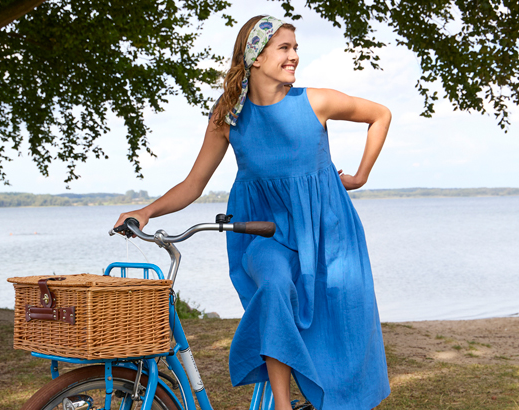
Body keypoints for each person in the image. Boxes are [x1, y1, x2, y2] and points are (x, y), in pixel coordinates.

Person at [114, 15, 391, 410]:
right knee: (275, 286)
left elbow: (380, 114)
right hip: (264, 233)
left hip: (329, 232)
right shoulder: (229, 116)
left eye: (296, 48)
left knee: (343, 327)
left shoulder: (315, 101)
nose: (294, 56)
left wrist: (361, 176)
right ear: (256, 57)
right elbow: (194, 184)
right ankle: (282, 405)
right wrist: (146, 211)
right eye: (285, 48)